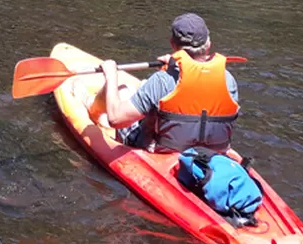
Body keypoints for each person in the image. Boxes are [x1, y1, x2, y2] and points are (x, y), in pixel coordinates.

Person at [98, 13, 239, 152]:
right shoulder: (228, 80)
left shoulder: (162, 81)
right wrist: (173, 67)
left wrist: (111, 75)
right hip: (212, 150)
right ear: (208, 45)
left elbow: (116, 120)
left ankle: (96, 112)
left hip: (163, 150)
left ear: (173, 45)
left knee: (122, 90)